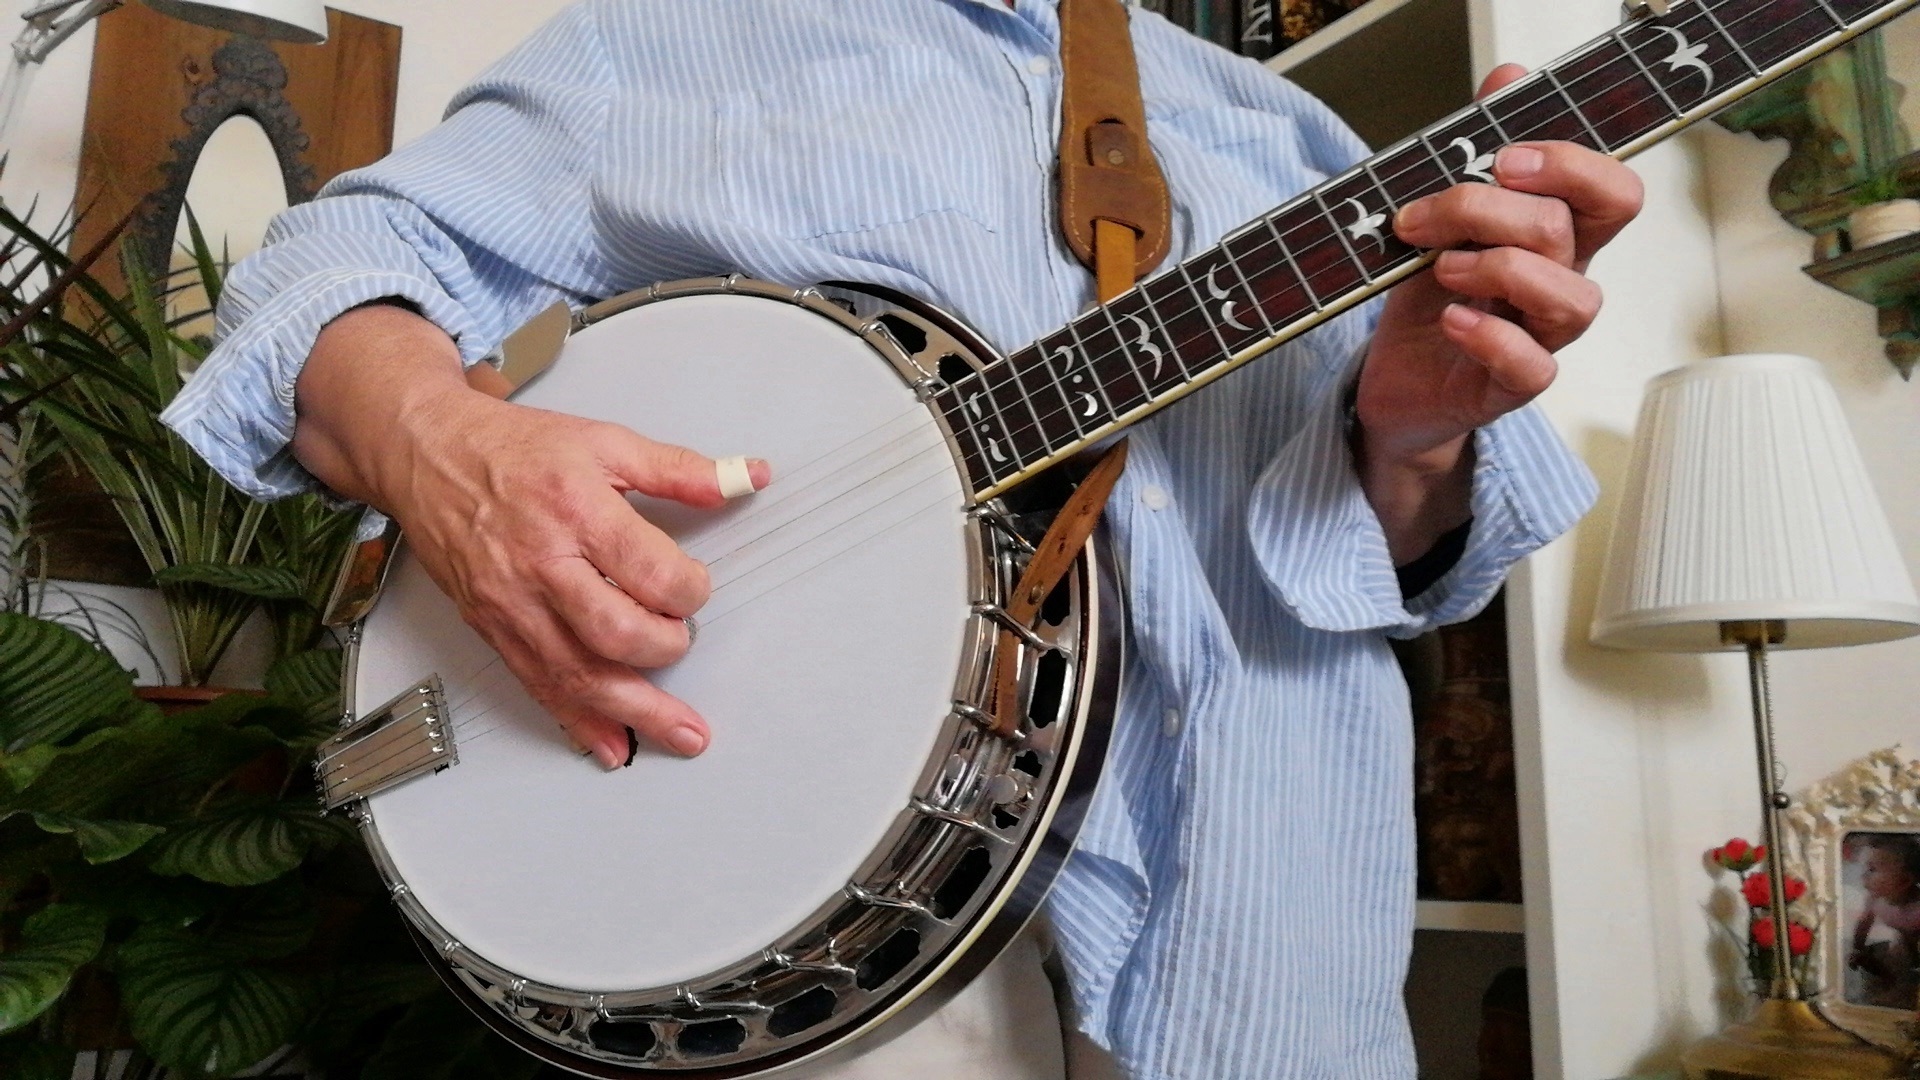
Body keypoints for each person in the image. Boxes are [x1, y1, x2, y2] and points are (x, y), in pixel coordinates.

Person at [159, 2, 1640, 1076]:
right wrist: (451, 453)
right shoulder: (670, 39)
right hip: (824, 961)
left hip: (1268, 938)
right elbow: (327, 274)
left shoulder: (1297, 134)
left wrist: (1420, 432)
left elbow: (1392, 554)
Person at [1847, 834, 1920, 1010]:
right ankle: (1893, 984)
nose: (1863, 876)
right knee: (1891, 955)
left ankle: (1904, 993)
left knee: (1901, 954)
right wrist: (1858, 948)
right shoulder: (1875, 899)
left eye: (1872, 869)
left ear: (1903, 881)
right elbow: (1864, 924)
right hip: (1904, 938)